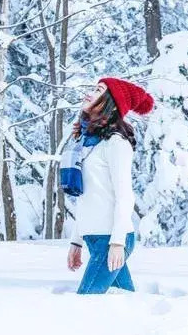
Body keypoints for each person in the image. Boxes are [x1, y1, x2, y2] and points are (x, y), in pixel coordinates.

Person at [63, 77, 154, 294]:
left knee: (86, 299)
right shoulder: (85, 144)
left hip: (111, 239)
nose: (89, 93)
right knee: (125, 298)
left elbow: (125, 197)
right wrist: (76, 241)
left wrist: (117, 243)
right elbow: (87, 197)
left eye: (98, 90)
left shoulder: (116, 143)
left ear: (110, 102)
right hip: (94, 238)